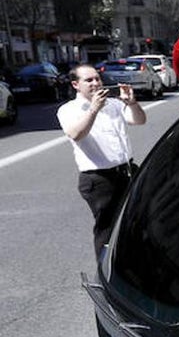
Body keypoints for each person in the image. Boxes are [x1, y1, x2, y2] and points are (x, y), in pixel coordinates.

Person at [57, 65, 147, 258]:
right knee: (107, 229)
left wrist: (132, 103)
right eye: (88, 80)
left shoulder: (113, 104)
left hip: (127, 171)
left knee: (136, 220)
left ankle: (134, 264)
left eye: (97, 79)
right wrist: (93, 110)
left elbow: (139, 120)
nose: (95, 83)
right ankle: (106, 273)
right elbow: (76, 134)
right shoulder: (68, 110)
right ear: (76, 84)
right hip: (99, 179)